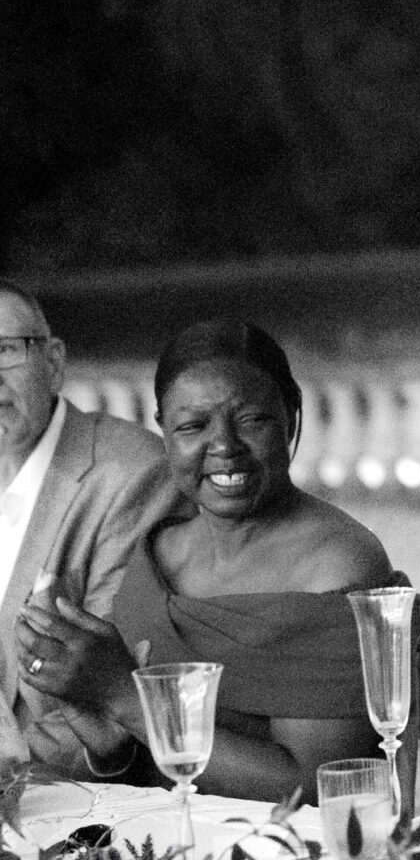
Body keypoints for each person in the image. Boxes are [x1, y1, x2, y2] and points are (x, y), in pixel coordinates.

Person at [18, 320, 397, 804]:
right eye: (192, 426)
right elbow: (141, 758)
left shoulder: (337, 564)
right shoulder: (158, 550)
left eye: (251, 420)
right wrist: (102, 735)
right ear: (165, 431)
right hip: (156, 836)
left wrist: (124, 697)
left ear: (292, 417)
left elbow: (315, 789)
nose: (223, 446)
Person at [0, 284, 170, 776]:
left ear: (53, 362)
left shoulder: (131, 475)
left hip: (60, 798)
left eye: (5, 350)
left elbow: (105, 710)